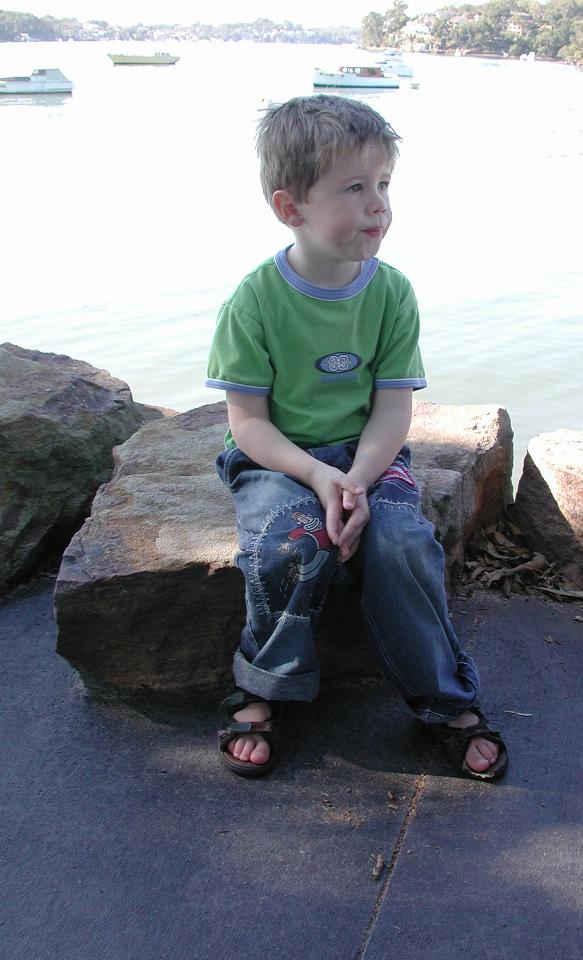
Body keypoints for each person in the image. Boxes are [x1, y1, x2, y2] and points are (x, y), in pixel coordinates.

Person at [206, 94, 507, 782]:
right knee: (289, 543)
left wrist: (360, 478)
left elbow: (392, 410)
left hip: (370, 457)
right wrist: (318, 478)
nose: (378, 205)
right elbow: (247, 424)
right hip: (277, 461)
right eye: (353, 188)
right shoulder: (253, 302)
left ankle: (444, 698)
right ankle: (263, 688)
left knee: (402, 543)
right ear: (292, 208)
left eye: (384, 186)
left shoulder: (392, 293)